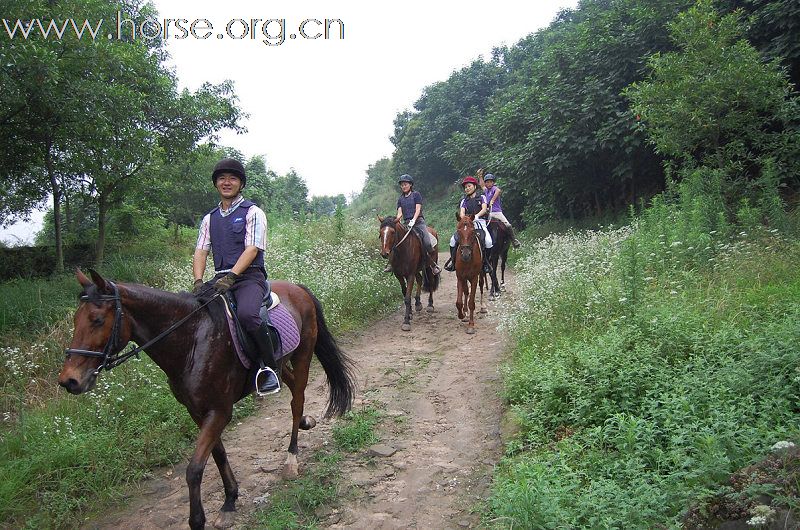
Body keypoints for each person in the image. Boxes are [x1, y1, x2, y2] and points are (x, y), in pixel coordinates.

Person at [192, 158, 280, 395]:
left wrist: (232, 276)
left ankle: (270, 368)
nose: (226, 182)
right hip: (219, 279)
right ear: (216, 184)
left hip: (248, 278)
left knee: (248, 315)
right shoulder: (209, 218)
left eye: (232, 178)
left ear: (241, 183)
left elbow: (252, 249)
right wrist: (199, 281)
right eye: (222, 178)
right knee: (193, 311)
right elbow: (201, 250)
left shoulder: (252, 212)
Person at [384, 174, 442, 275]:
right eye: (402, 185)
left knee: (427, 242)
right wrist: (397, 220)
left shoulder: (416, 195)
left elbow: (418, 209)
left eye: (405, 184)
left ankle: (433, 265)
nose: (403, 186)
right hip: (406, 223)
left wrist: (413, 220)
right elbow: (400, 212)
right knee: (395, 241)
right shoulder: (400, 199)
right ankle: (391, 263)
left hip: (418, 222)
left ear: (410, 184)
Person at [443, 176, 493, 273]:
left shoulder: (482, 197)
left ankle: (486, 263)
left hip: (480, 223)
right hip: (467, 224)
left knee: (488, 241)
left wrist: (477, 216)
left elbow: (484, 209)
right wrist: (465, 219)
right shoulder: (464, 201)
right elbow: (462, 212)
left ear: (475, 186)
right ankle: (453, 262)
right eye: (465, 187)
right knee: (453, 240)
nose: (467, 188)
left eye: (469, 186)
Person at [477, 169, 521, 248]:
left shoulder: (494, 188)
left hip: (497, 212)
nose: (489, 183)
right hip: (488, 213)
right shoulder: (486, 190)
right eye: (487, 182)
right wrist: (480, 176)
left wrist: (492, 200)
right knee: (481, 225)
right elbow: (482, 185)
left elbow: (498, 191)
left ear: (493, 182)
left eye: (490, 182)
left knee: (508, 225)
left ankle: (514, 240)